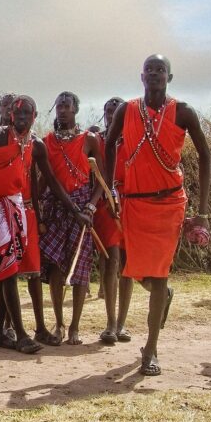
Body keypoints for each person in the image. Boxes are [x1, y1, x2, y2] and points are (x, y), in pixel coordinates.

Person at [104, 55, 211, 376]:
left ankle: (150, 349)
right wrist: (110, 191)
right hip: (133, 204)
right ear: (141, 76)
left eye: (160, 70)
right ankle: (162, 295)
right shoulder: (127, 110)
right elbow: (109, 145)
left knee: (160, 273)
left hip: (169, 205)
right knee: (132, 269)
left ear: (169, 76)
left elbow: (205, 155)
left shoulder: (184, 111)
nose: (154, 74)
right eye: (149, 70)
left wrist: (203, 213)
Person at [0, 96, 91, 355]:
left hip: (16, 205)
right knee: (10, 267)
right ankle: (22, 334)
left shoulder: (36, 145)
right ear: (11, 115)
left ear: (35, 116)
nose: (22, 117)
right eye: (17, 112)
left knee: (8, 267)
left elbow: (52, 181)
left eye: (27, 112)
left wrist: (75, 211)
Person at [39, 92, 103, 345]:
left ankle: (75, 326)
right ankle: (59, 324)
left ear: (76, 109)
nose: (62, 111)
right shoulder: (47, 142)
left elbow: (101, 180)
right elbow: (44, 178)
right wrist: (37, 207)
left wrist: (91, 206)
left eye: (67, 106)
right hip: (55, 208)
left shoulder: (89, 140)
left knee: (80, 268)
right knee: (55, 266)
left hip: (82, 211)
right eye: (59, 107)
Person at [95, 97, 133, 343]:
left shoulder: (135, 140)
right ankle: (109, 323)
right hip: (105, 203)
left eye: (116, 111)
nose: (111, 115)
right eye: (108, 111)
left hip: (131, 203)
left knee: (128, 264)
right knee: (111, 260)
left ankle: (122, 323)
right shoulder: (97, 140)